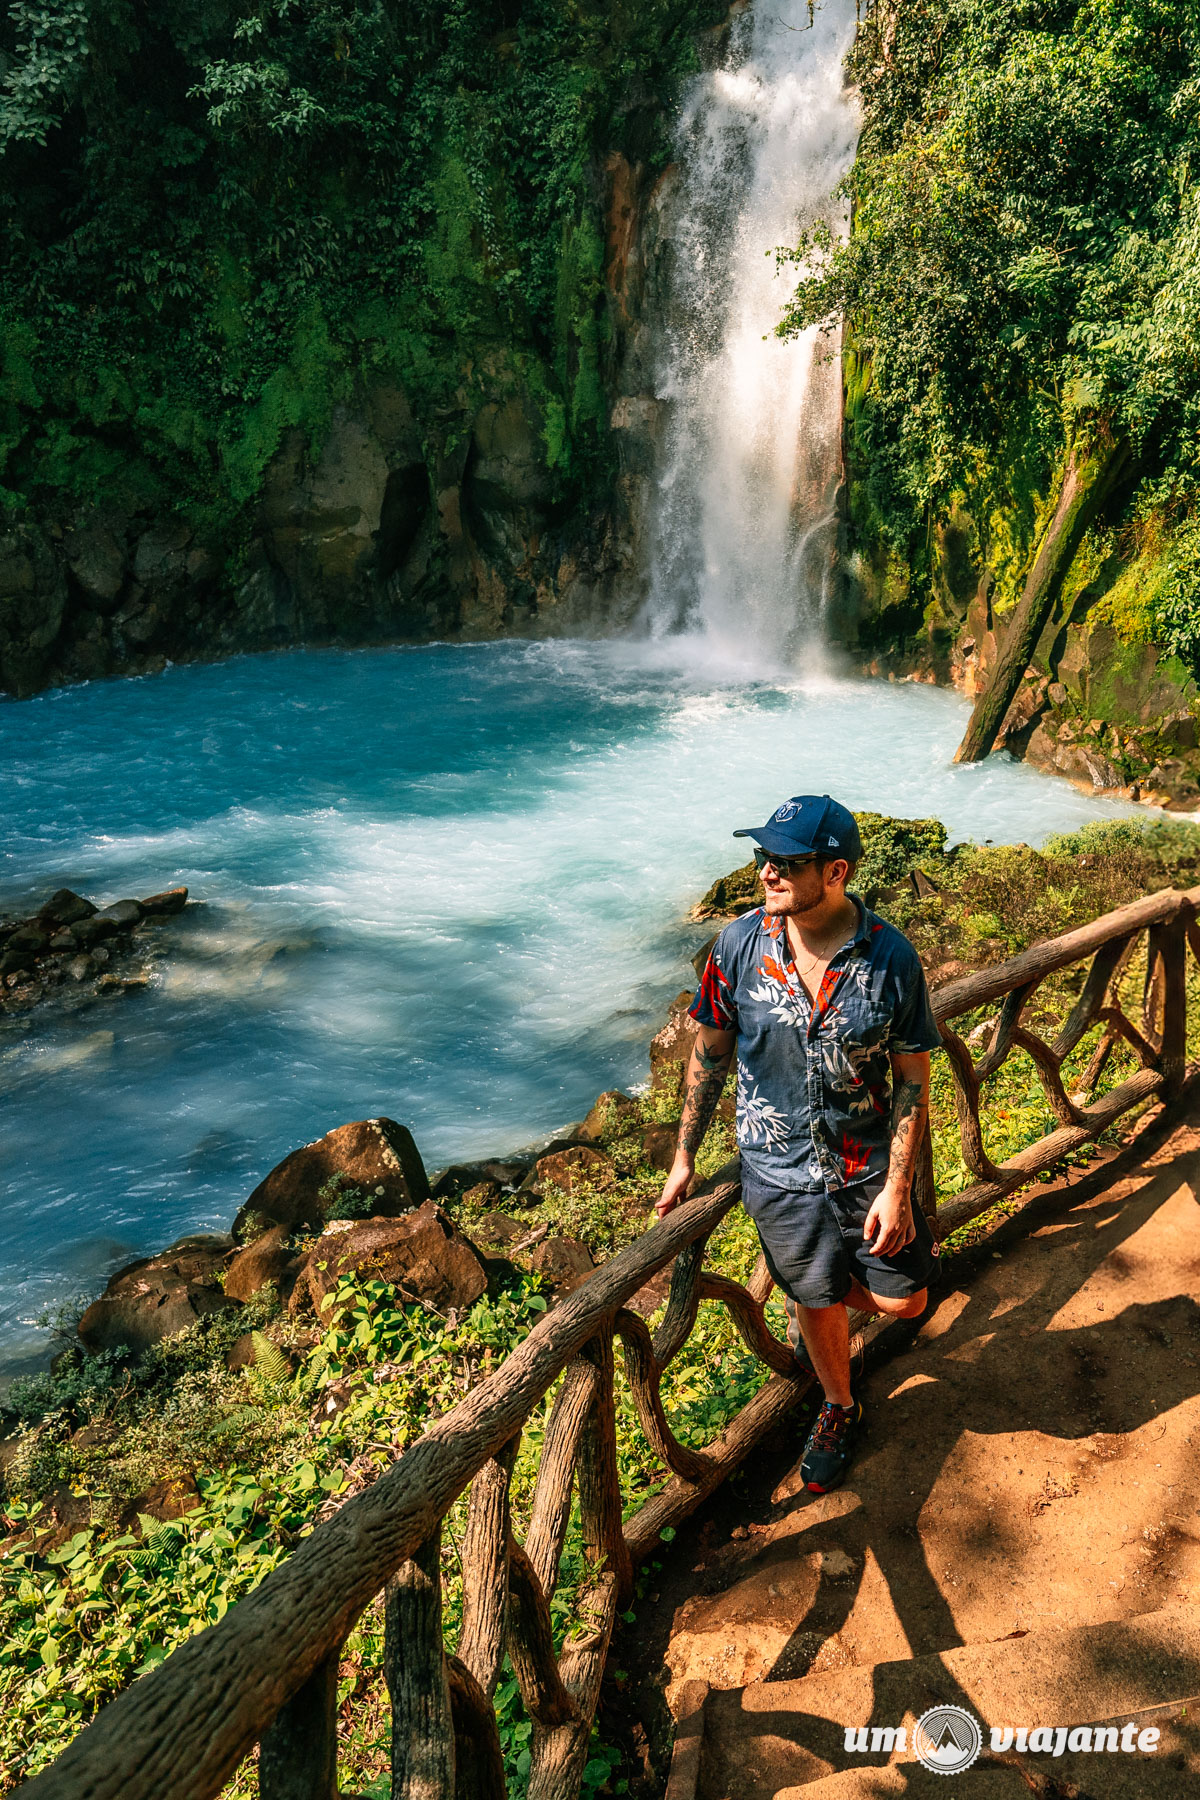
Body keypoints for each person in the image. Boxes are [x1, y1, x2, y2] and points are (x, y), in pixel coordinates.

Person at [656, 793, 941, 1493]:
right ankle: (838, 1402)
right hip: (776, 1173)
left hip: (863, 1168)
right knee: (816, 1299)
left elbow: (912, 1078)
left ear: (835, 872)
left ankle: (816, 1309)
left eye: (785, 862)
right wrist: (685, 1153)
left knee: (908, 1302)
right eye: (763, 858)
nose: (765, 873)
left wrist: (899, 1187)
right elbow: (709, 1052)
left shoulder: (890, 959)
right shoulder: (737, 947)